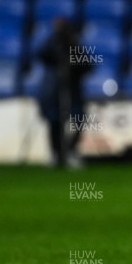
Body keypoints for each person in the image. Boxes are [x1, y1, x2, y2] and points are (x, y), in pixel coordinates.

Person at [38, 17, 91, 167]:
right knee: (55, 120)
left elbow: (87, 66)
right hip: (54, 89)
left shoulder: (75, 46)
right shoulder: (51, 44)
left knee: (78, 119)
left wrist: (73, 69)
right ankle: (56, 153)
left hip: (73, 89)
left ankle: (70, 150)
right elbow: (41, 55)